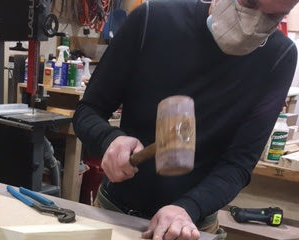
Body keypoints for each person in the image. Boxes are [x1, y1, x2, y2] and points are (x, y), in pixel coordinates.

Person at [72, 0, 299, 239]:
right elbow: (87, 111)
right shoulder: (151, 20)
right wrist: (109, 140)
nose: (252, 23)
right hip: (115, 215)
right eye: (249, 4)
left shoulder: (279, 57)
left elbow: (239, 163)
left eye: (273, 17)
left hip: (191, 227)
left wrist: (187, 208)